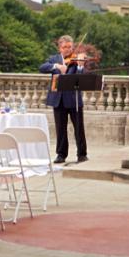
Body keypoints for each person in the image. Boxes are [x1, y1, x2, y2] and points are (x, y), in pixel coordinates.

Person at [38, 35, 88, 164]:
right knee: (60, 128)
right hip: (58, 99)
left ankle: (82, 154)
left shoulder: (76, 60)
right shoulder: (54, 59)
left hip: (73, 98)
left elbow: (81, 77)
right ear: (60, 48)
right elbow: (42, 68)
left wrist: (81, 66)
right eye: (65, 47)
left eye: (70, 47)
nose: (68, 49)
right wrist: (57, 66)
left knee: (79, 127)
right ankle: (61, 154)